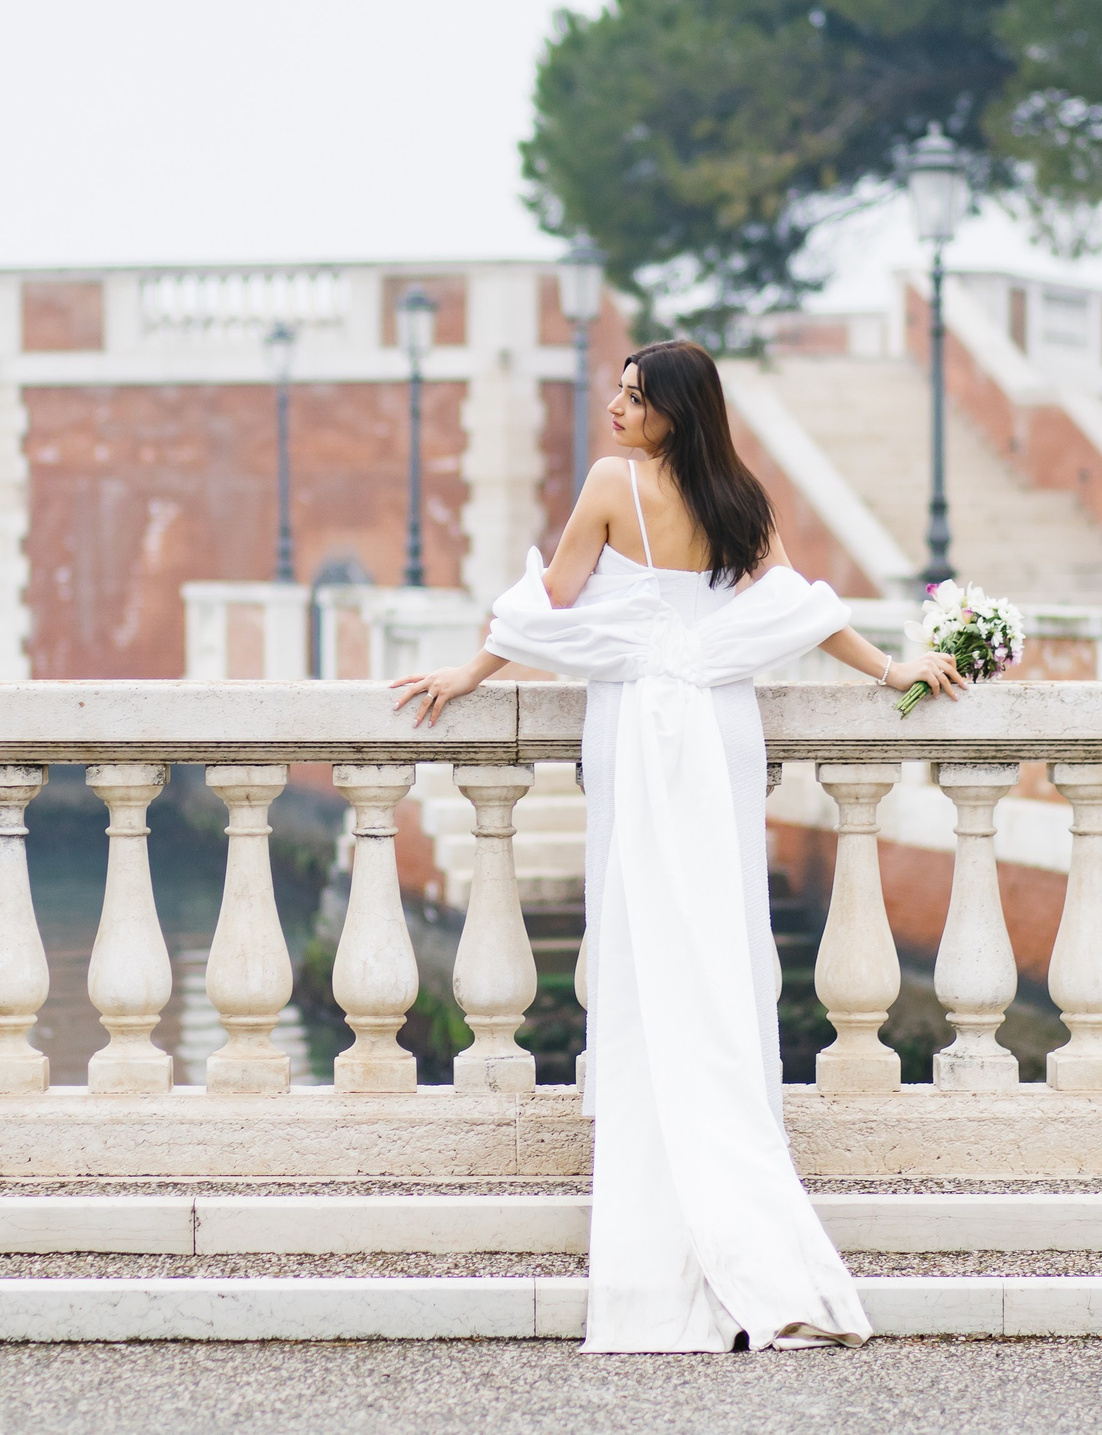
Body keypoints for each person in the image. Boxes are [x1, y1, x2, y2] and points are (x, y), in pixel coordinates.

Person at [391, 337, 968, 1354]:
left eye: (633, 396)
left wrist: (467, 673)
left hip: (641, 726)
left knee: (644, 924)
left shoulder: (611, 486)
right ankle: (735, 1173)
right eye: (617, 392)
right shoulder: (740, 497)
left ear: (673, 410)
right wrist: (892, 671)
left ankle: (665, 1166)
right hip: (718, 728)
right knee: (716, 929)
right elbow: (798, 610)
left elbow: (550, 607)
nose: (615, 408)